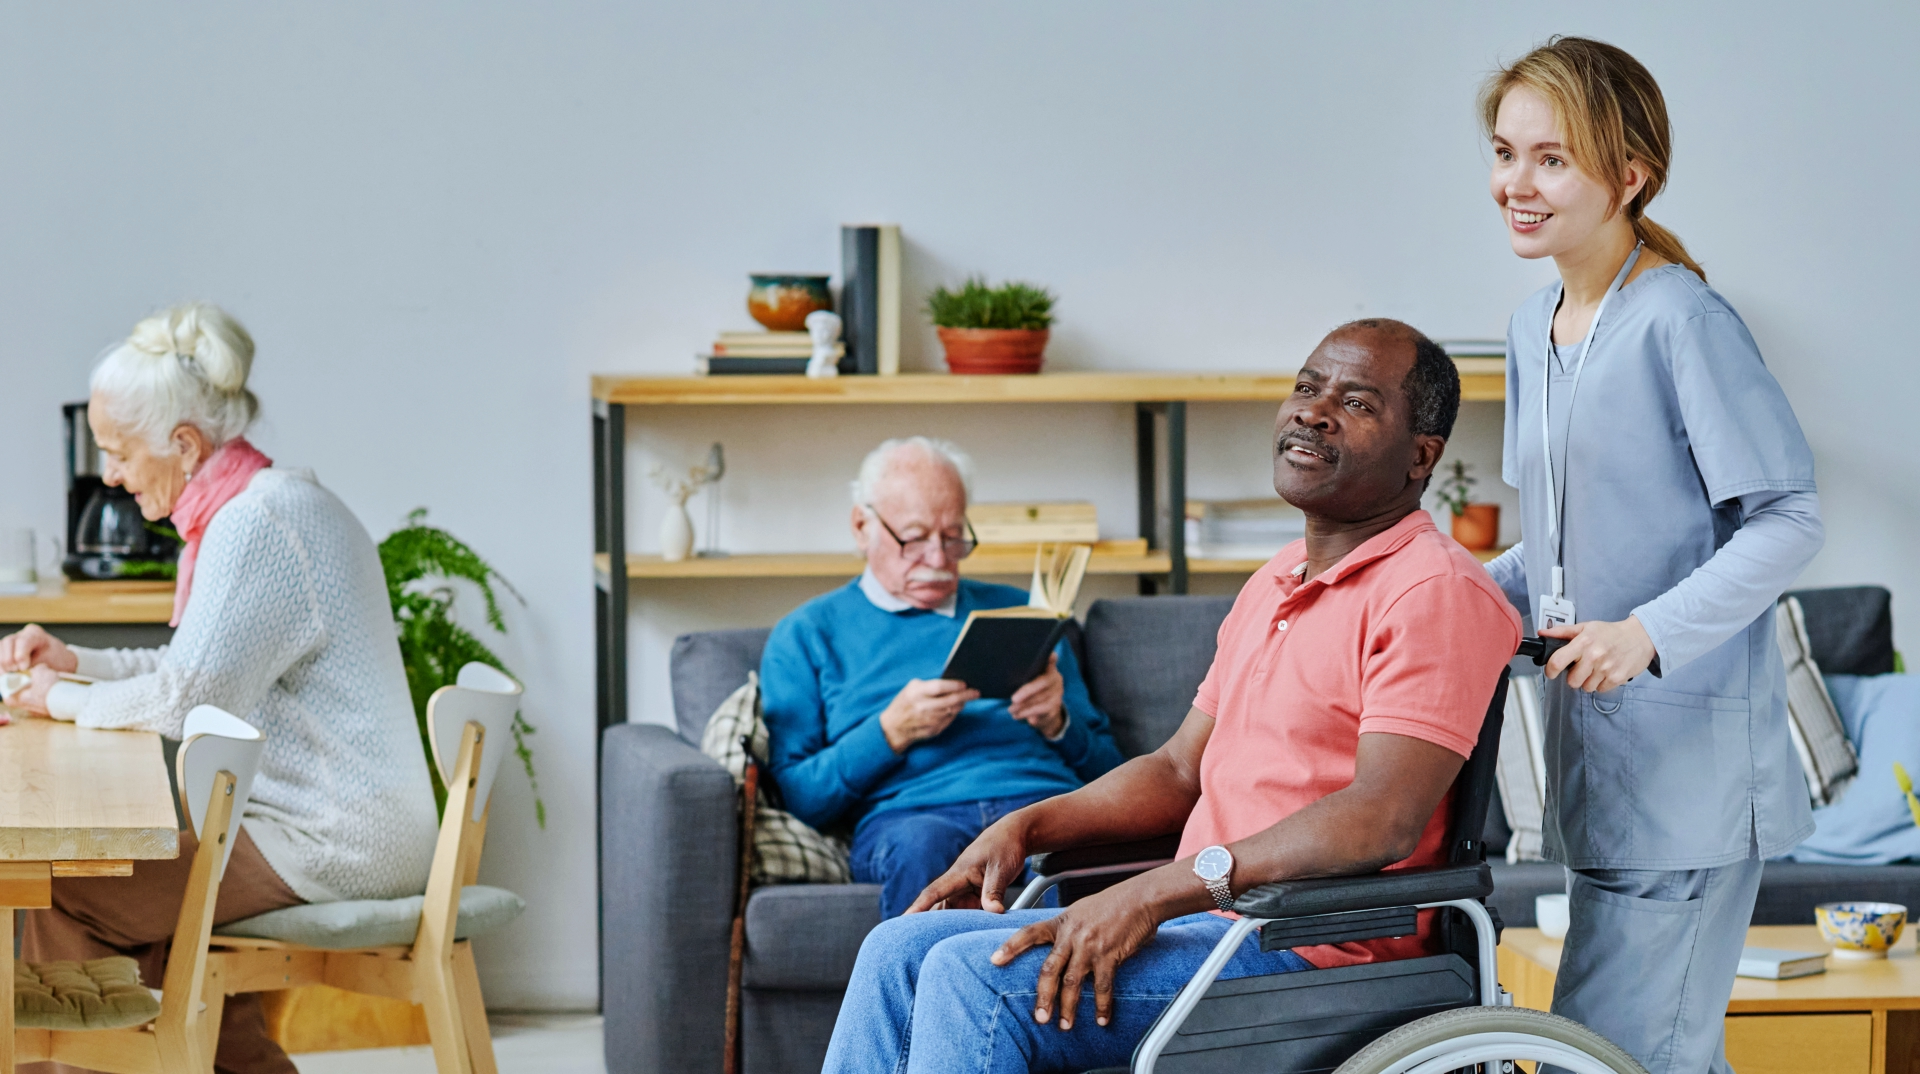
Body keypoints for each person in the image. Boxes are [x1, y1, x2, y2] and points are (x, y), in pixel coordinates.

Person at [819, 321, 1522, 1074]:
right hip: (1212, 932)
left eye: (1356, 402)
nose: (1313, 412)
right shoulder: (1275, 581)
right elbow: (1179, 771)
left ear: (1421, 455)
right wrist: (1027, 825)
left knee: (972, 983)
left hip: (1316, 955)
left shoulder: (1434, 592)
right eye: (1308, 387)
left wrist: (1155, 893)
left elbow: (1380, 818)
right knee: (896, 949)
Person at [1479, 38, 1824, 1074]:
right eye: (1505, 154)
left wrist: (1648, 634)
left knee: (1616, 1059)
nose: (1517, 186)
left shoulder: (1683, 318)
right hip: (1599, 772)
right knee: (1653, 1056)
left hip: (1689, 779)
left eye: (1553, 160)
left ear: (1629, 174)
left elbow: (1789, 516)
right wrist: (1451, 601)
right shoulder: (1533, 321)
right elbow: (1562, 537)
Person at [0, 303, 439, 1074]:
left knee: (69, 889)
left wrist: (53, 701)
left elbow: (182, 702)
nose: (108, 474)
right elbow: (192, 673)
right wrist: (77, 666)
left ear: (184, 444)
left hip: (335, 843)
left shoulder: (257, 525)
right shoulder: (265, 505)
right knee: (155, 914)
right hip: (333, 829)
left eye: (119, 452)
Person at [759, 437, 1124, 919]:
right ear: (862, 525)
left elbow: (1111, 774)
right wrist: (889, 732)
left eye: (954, 536)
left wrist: (1059, 723)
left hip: (1040, 803)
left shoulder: (1026, 615)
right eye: (914, 537)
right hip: (912, 817)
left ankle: (1060, 995)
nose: (938, 558)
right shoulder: (806, 634)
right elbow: (801, 798)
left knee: (1071, 850)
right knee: (923, 847)